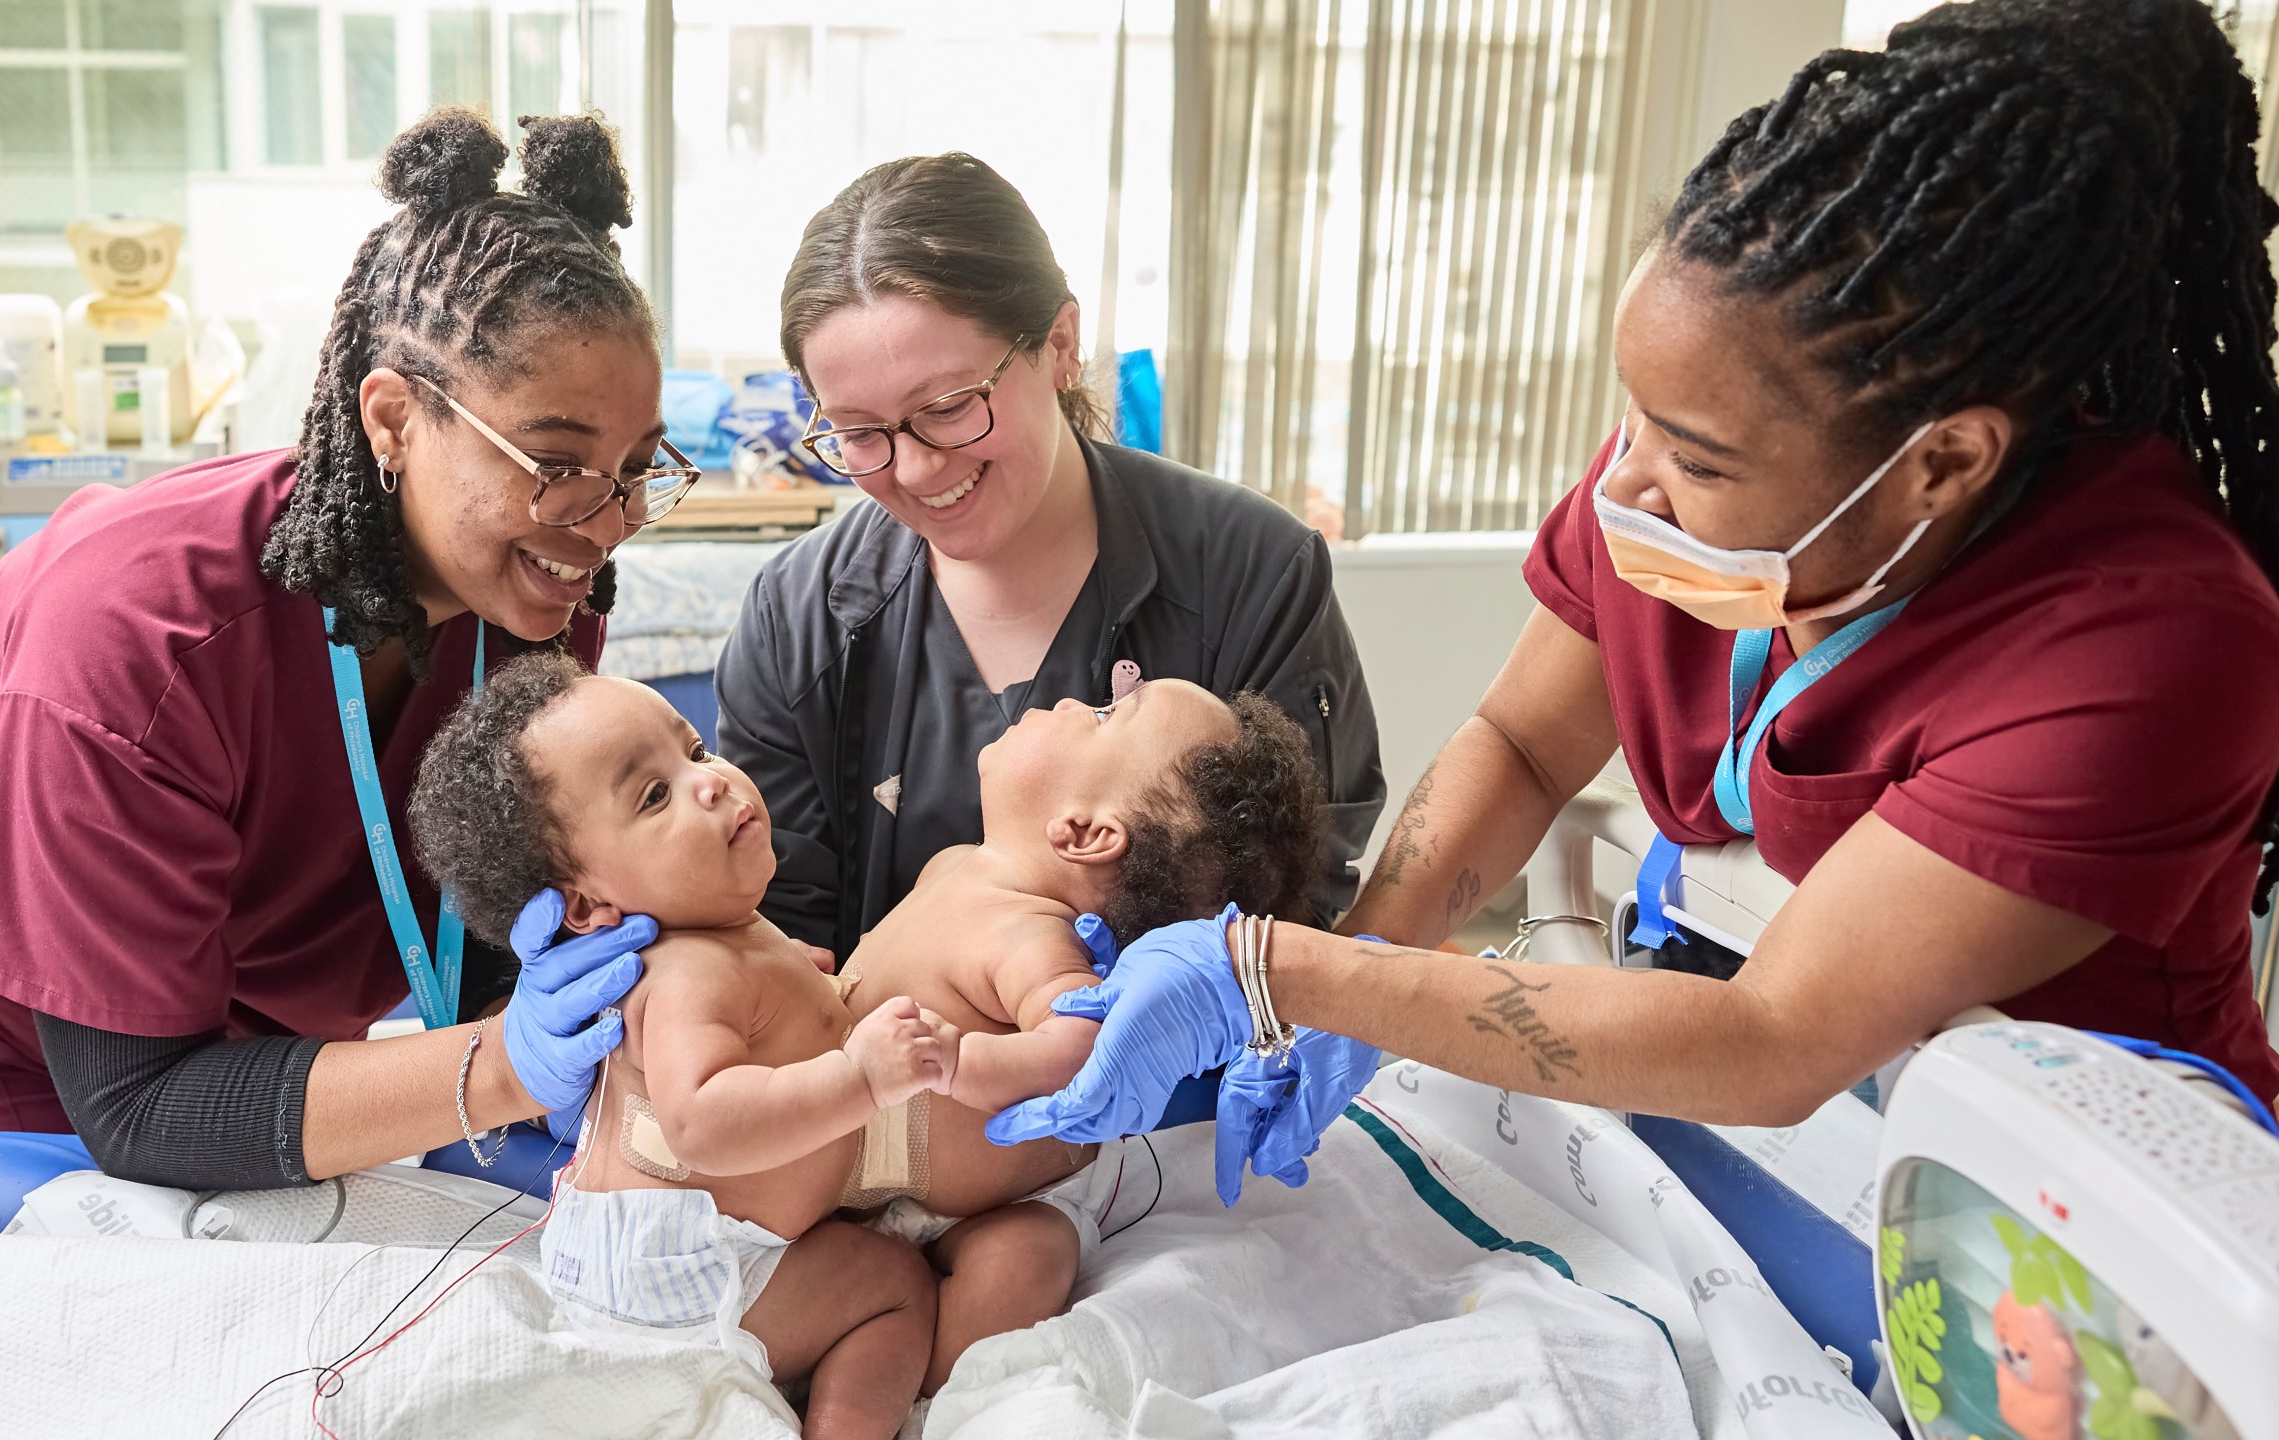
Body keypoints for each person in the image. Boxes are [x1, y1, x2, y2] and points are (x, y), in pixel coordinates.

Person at [990, 0, 2279, 1183]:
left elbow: (1775, 1039)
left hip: (2091, 1221)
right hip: (1804, 1147)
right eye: (1635, 421)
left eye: (1696, 458)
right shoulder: (1689, 482)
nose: (1628, 486)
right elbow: (1520, 741)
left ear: (1940, 462)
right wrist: (1376, 945)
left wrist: (1281, 968)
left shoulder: (2151, 646)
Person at [0, 109, 674, 1188]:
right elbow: (137, 1105)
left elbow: (494, 899)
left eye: (640, 464)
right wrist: (500, 1066)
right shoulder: (139, 635)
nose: (607, 520)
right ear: (395, 422)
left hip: (239, 984)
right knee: (87, 1280)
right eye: (557, 462)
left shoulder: (538, 579)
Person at [408, 656, 1332, 1398]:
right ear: (584, 904)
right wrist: (855, 1062)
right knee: (885, 1289)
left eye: (1100, 717)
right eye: (655, 793)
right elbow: (700, 1116)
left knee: (1026, 1255)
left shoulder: (1020, 924)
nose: (712, 781)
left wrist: (947, 1056)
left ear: (1084, 833)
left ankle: (943, 1400)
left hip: (938, 1197)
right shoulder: (694, 965)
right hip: (729, 1247)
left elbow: (1083, 1047)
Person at [715, 153, 1386, 967]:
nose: (918, 467)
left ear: (1060, 344)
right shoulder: (798, 620)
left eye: (950, 406)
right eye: (859, 432)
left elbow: (1296, 898)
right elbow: (771, 930)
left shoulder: (1253, 573)